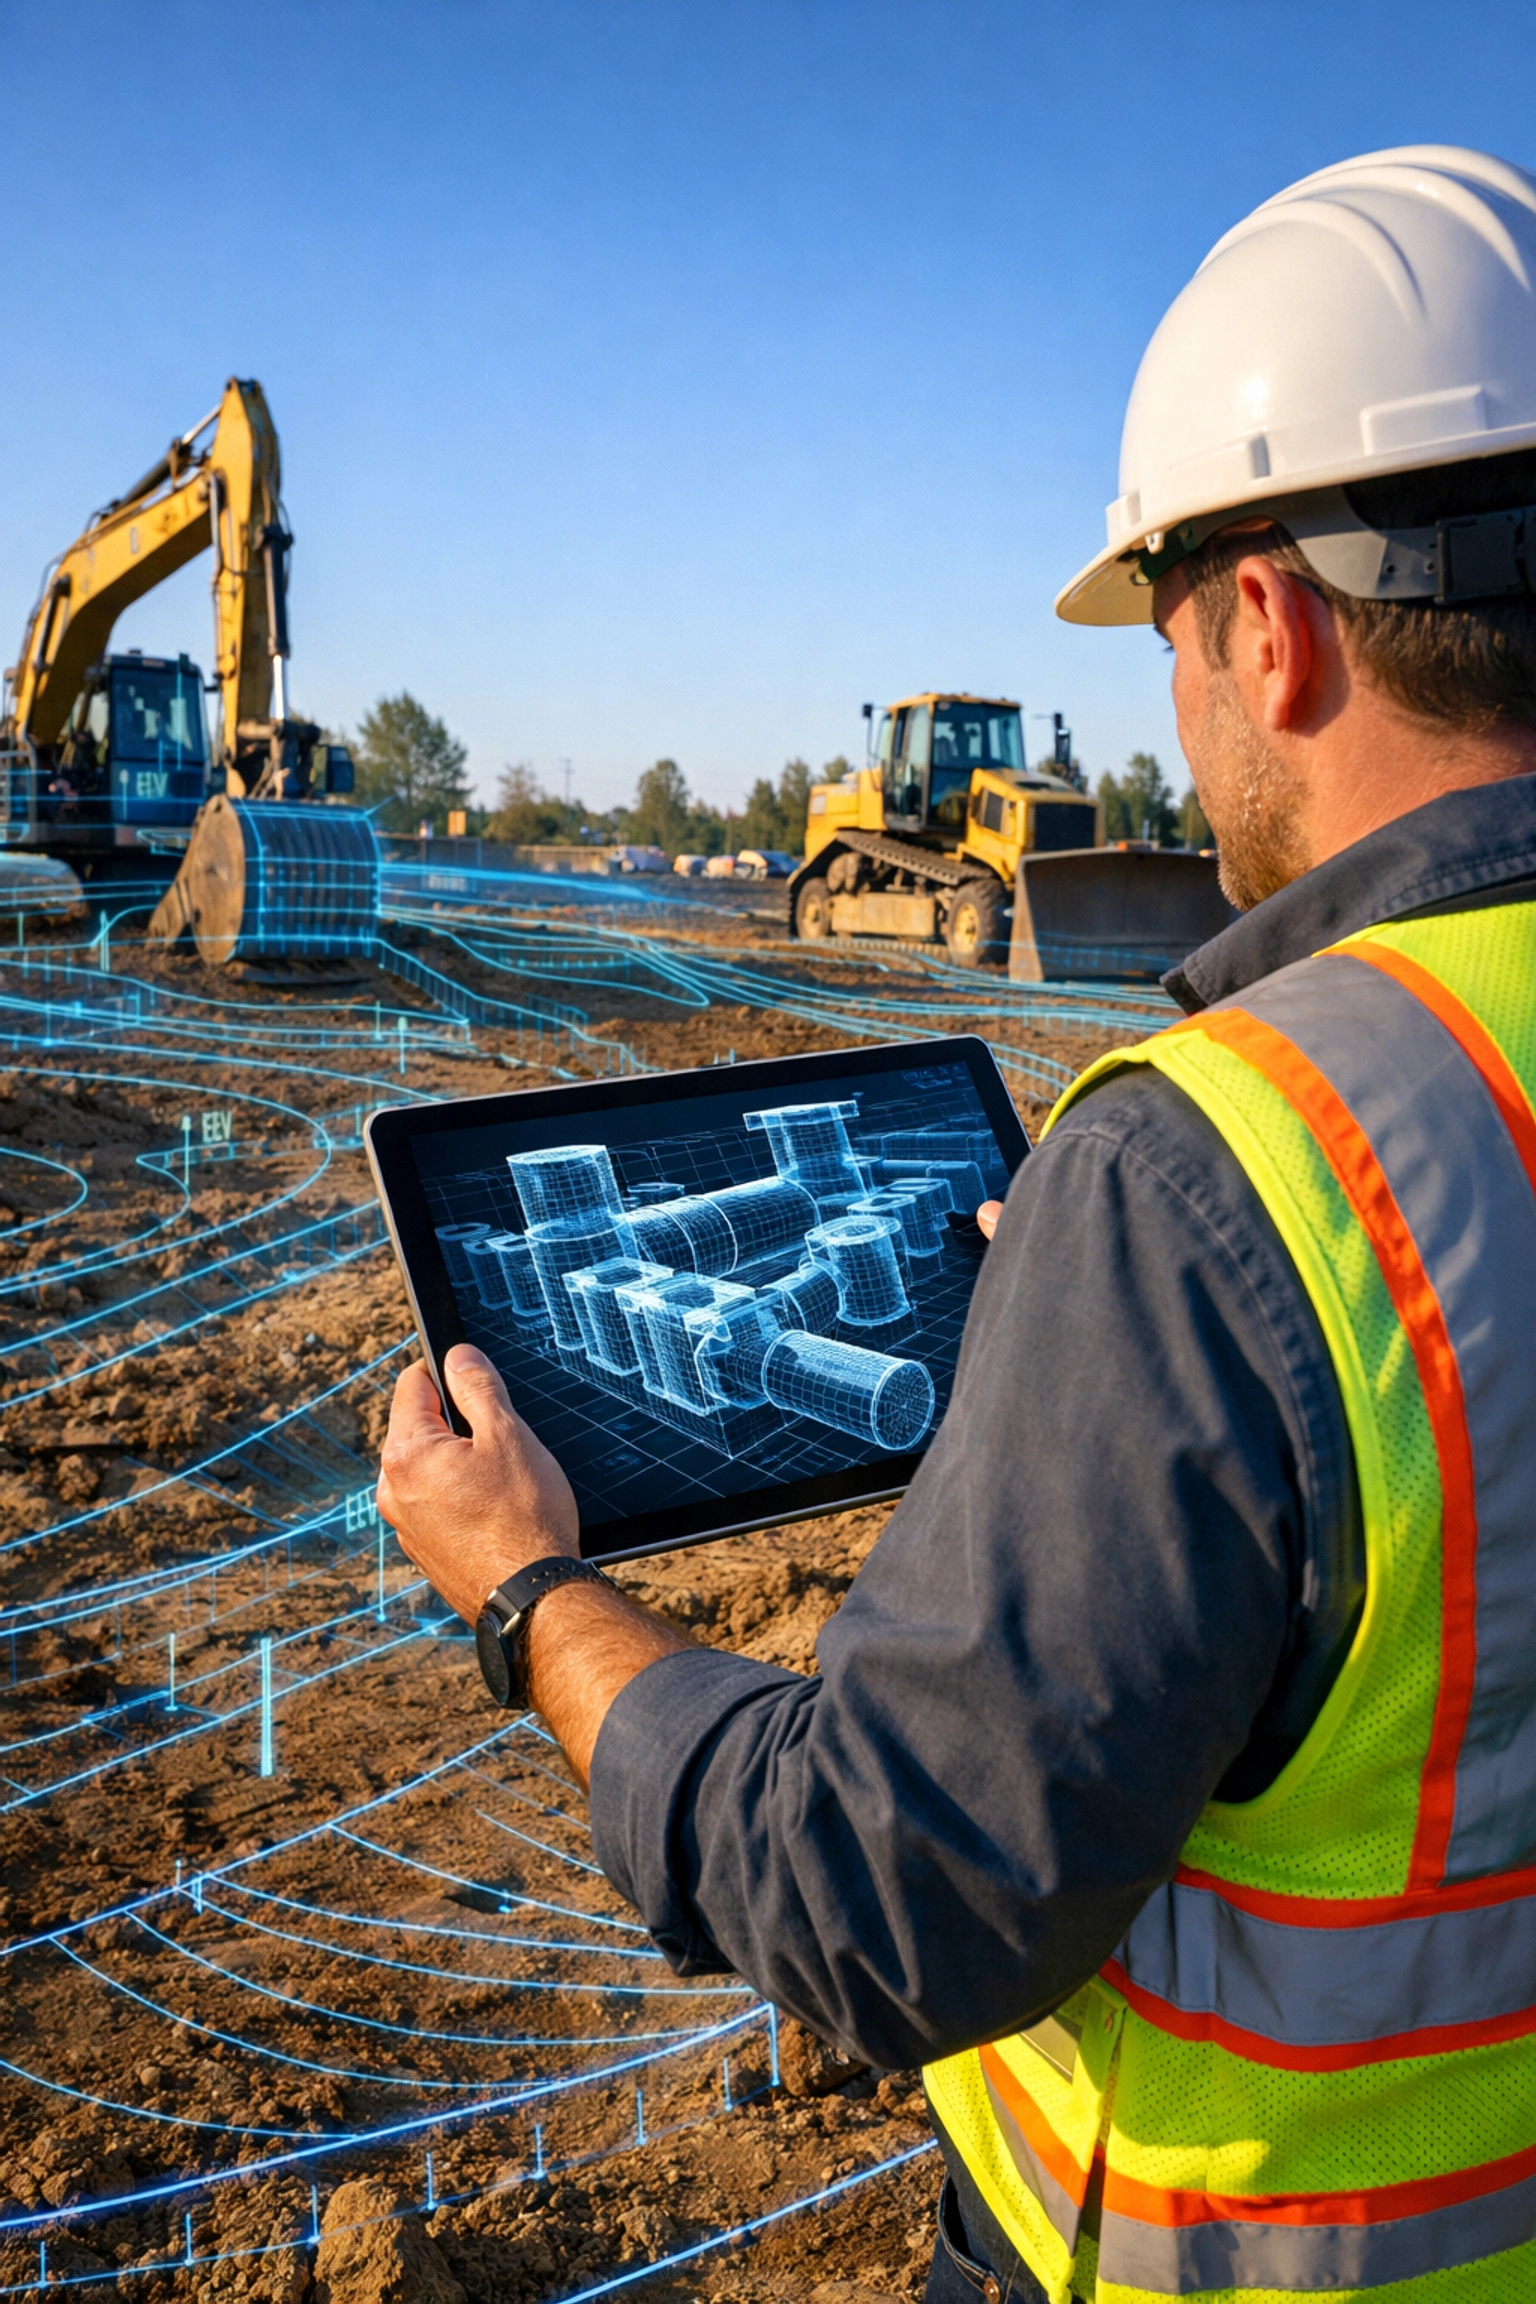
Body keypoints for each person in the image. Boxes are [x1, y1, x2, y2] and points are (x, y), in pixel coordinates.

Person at [378, 145, 1536, 2302]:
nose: (1179, 731)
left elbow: (890, 1902)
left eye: (1171, 644)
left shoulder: (1220, 1166)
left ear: (1267, 633)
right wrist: (1150, 1389)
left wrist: (528, 1588)